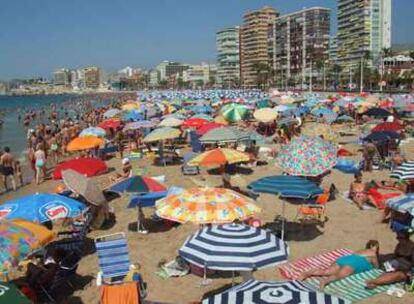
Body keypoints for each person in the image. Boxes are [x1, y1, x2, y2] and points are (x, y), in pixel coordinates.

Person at [299, 240, 379, 289]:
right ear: (372, 246)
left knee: (326, 271)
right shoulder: (373, 254)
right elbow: (376, 267)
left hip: (345, 259)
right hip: (353, 264)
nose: (377, 249)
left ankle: (307, 273)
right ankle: (325, 282)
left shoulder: (360, 251)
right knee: (338, 276)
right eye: (376, 247)